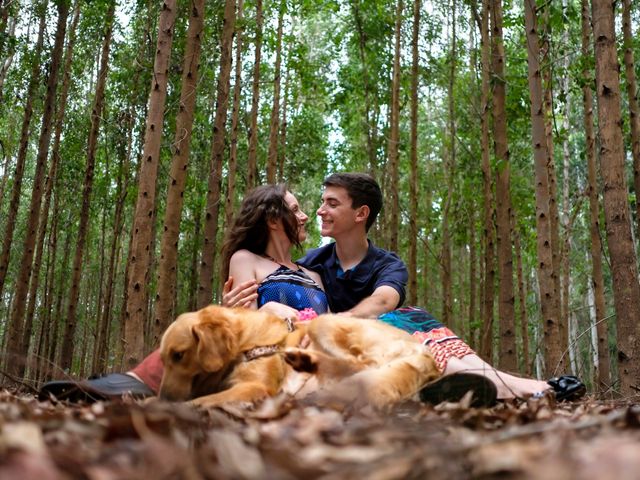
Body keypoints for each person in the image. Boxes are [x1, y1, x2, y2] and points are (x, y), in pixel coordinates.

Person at [39, 175, 584, 404]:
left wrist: (344, 325)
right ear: (275, 216)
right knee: (214, 322)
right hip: (278, 342)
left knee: (423, 326)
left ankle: (526, 387)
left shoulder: (340, 267)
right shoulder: (274, 261)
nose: (314, 213)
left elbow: (377, 304)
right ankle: (126, 383)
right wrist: (239, 307)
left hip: (333, 341)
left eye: (326, 205)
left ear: (359, 214)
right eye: (306, 206)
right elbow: (241, 315)